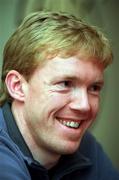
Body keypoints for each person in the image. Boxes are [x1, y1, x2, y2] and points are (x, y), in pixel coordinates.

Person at [0, 11, 118, 180]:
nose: (84, 105)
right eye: (65, 83)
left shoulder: (86, 145)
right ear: (17, 87)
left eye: (94, 87)